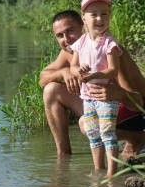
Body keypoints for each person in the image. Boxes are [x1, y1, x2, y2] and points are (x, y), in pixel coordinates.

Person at [39, 9, 145, 159]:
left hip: (136, 111)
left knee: (86, 124)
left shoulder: (110, 49)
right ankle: (63, 157)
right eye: (60, 35)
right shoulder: (70, 52)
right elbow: (43, 79)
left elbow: (138, 102)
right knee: (51, 90)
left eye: (70, 31)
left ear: (84, 26)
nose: (66, 39)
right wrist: (63, 72)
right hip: (103, 104)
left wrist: (119, 93)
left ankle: (135, 137)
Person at [70, 0, 123, 177]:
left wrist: (94, 75)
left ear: (109, 16)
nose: (100, 18)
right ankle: (98, 168)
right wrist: (80, 71)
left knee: (108, 133)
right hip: (88, 97)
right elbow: (72, 66)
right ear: (83, 17)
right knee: (93, 134)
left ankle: (111, 173)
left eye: (104, 14)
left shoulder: (110, 43)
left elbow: (113, 70)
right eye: (94, 14)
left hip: (106, 97)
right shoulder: (81, 42)